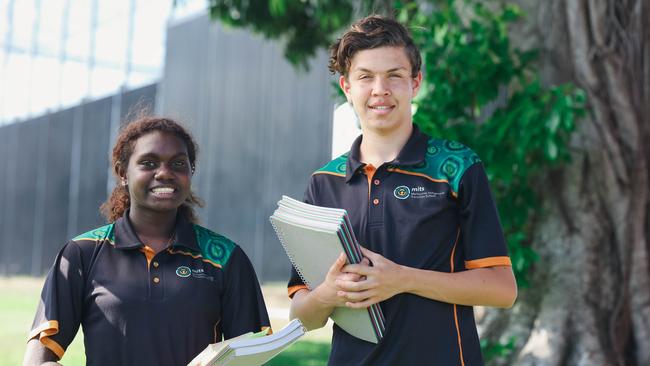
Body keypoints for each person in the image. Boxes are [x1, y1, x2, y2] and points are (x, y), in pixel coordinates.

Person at [287, 15, 517, 365]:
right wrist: (328, 294)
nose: (380, 89)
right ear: (347, 87)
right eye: (366, 77)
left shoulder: (457, 167)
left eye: (394, 75)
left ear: (415, 83)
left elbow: (502, 289)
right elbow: (303, 316)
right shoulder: (323, 183)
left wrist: (403, 279)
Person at [24, 117, 270, 366]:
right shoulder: (81, 253)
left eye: (178, 164)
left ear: (190, 172)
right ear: (123, 173)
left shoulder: (226, 256)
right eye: (149, 163)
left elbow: (250, 355)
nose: (164, 173)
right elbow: (38, 358)